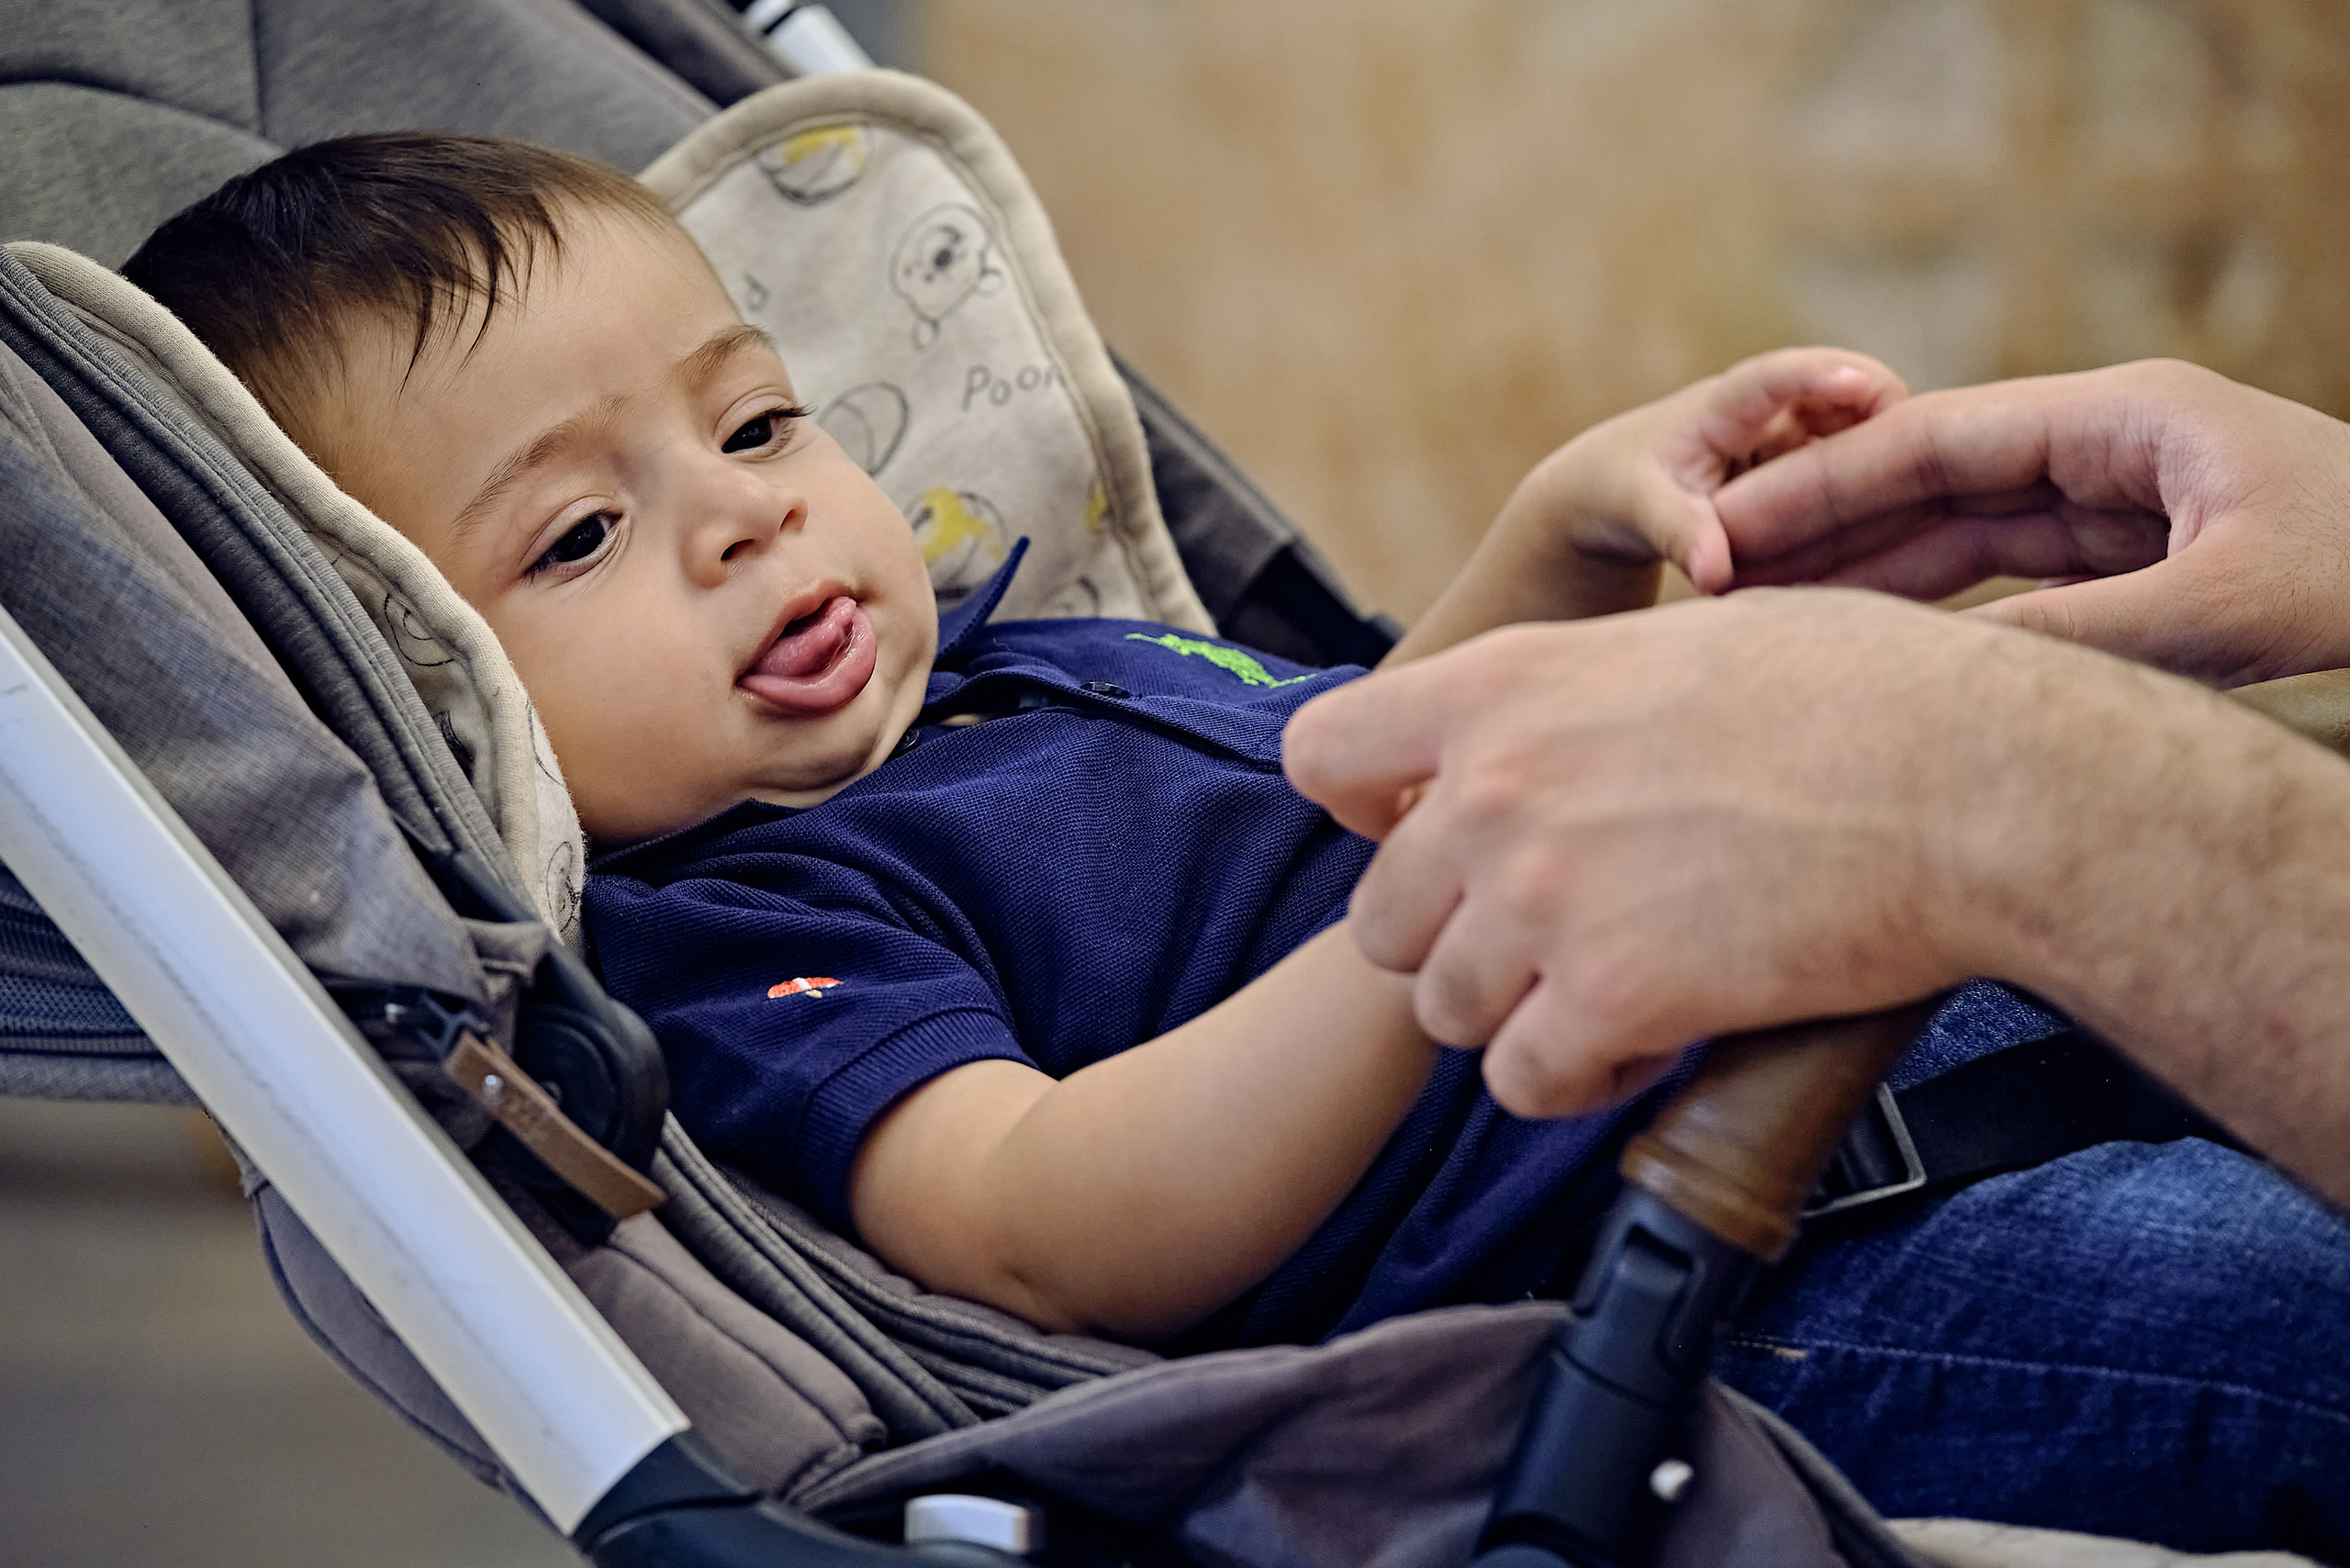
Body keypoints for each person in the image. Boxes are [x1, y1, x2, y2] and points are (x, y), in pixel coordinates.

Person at [120, 132, 1904, 1352]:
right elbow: (1040, 1219)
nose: (744, 519)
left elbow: (1370, 765)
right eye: (578, 535)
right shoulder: (739, 929)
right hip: (1739, 1253)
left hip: (1878, 1010)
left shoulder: (1032, 663)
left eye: (753, 422)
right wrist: (1421, 923)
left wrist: (1560, 540)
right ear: (428, 679)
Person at [1282, 360, 2350, 1551]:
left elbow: (1296, 821)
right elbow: (1037, 1244)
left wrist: (1564, 525)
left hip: (1986, 1043)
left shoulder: (1087, 662)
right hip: (1712, 1222)